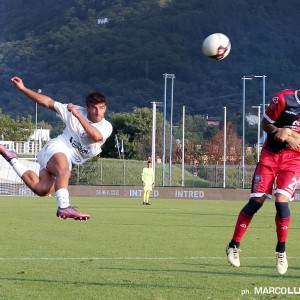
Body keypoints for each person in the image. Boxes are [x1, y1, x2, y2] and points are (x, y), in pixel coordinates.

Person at [0, 76, 113, 221]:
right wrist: (23, 89)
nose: (98, 112)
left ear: (106, 108)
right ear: (88, 108)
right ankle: (64, 206)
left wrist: (78, 116)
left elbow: (96, 136)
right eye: (94, 108)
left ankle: (11, 158)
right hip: (56, 148)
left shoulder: (106, 126)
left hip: (67, 159)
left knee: (41, 189)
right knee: (64, 170)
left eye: (102, 108)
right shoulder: (75, 112)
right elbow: (47, 102)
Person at [226, 88, 300, 275]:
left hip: (294, 160)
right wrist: (279, 130)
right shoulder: (283, 99)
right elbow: (265, 123)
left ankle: (281, 251)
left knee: (281, 201)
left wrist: (293, 137)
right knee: (256, 202)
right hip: (270, 156)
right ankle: (233, 246)